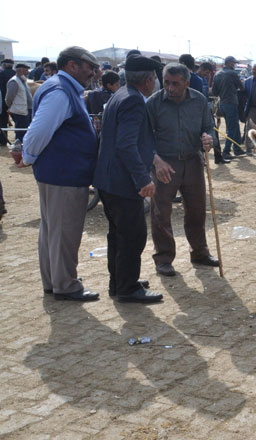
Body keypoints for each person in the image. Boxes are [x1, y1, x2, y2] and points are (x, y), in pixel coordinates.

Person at [17, 46, 101, 301]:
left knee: (52, 230)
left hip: (59, 173)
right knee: (64, 231)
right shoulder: (61, 91)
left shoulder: (60, 87)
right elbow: (39, 130)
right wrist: (28, 156)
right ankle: (66, 285)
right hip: (64, 175)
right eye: (89, 66)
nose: (93, 72)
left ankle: (54, 281)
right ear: (72, 66)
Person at [92, 55, 164, 303]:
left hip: (109, 180)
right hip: (122, 184)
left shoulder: (121, 94)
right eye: (154, 79)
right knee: (133, 236)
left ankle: (120, 281)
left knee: (119, 235)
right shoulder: (133, 101)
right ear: (147, 79)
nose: (155, 83)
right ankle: (127, 288)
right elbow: (126, 145)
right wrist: (143, 179)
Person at [146, 63, 219, 277]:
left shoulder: (199, 101)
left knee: (197, 210)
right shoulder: (153, 103)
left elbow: (209, 127)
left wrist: (209, 139)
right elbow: (144, 137)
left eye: (175, 84)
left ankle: (199, 253)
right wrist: (156, 161)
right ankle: (163, 258)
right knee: (161, 213)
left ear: (186, 83)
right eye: (166, 82)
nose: (169, 88)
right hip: (164, 164)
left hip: (193, 161)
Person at [212, 56, 245, 159]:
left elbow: (214, 92)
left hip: (222, 104)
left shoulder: (217, 74)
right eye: (233, 63)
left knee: (233, 127)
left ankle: (237, 149)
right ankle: (226, 151)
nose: (234, 65)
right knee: (232, 128)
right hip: (231, 103)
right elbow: (242, 87)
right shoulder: (232, 73)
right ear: (229, 63)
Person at [5, 63, 33, 146]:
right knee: (20, 132)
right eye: (26, 70)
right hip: (20, 111)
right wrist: (10, 107)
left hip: (25, 110)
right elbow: (9, 98)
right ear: (21, 70)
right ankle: (18, 149)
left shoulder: (23, 80)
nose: (28, 71)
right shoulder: (14, 81)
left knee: (25, 131)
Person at [0, 59, 15, 147]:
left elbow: (2, 90)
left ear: (4, 65)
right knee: (18, 122)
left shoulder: (1, 74)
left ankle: (3, 140)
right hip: (16, 102)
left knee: (3, 121)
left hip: (4, 101)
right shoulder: (16, 74)